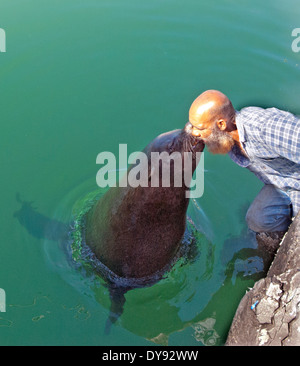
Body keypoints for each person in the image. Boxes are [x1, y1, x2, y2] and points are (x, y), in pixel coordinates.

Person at [188, 89, 299, 246]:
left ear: (221, 124)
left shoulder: (265, 128)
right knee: (257, 219)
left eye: (199, 128)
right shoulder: (228, 138)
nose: (193, 133)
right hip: (281, 181)